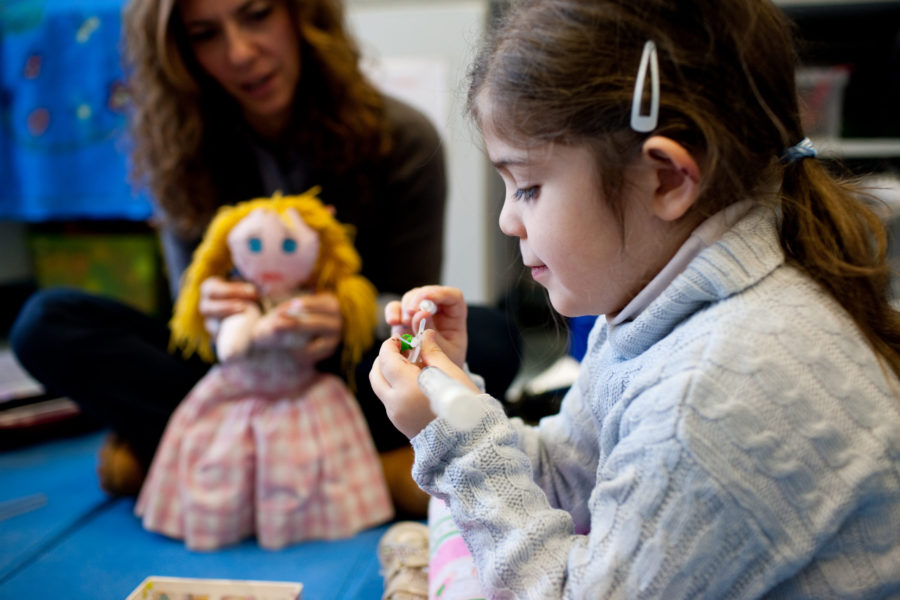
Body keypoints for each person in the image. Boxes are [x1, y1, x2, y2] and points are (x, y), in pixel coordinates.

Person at [369, 0, 900, 597]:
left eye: (529, 187)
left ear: (667, 179)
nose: (506, 221)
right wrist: (454, 398)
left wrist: (455, 443)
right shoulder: (659, 310)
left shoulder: (712, 387)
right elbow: (567, 483)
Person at [9, 0, 521, 519]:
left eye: (256, 15)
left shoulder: (403, 137)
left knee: (491, 339)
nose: (240, 53)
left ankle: (198, 460)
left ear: (302, 15)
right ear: (180, 53)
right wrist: (210, 315)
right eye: (206, 34)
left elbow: (412, 327)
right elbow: (196, 329)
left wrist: (353, 314)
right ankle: (355, 471)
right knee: (44, 324)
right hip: (235, 376)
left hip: (345, 375)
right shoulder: (176, 148)